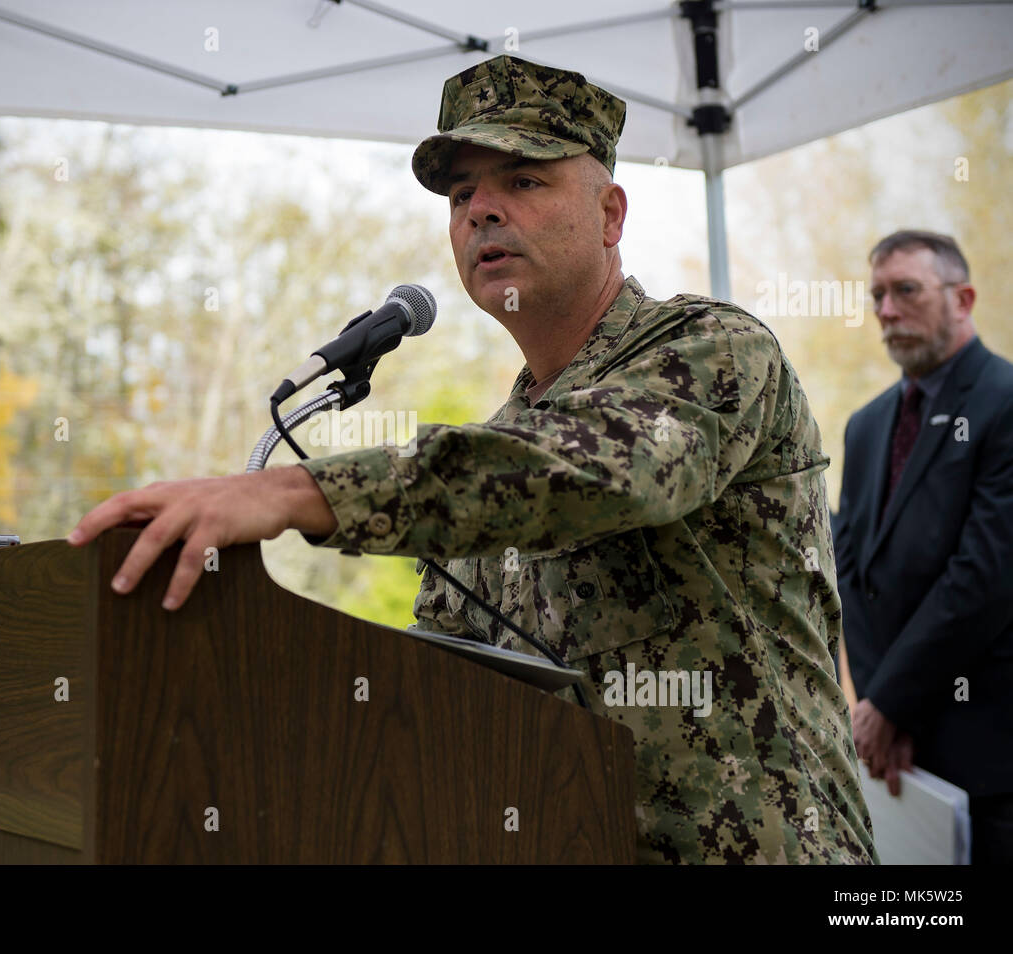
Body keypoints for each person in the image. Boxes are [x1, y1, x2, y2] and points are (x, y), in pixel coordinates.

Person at [69, 54, 878, 865]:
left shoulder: (715, 350)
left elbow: (592, 468)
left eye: (523, 181)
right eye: (462, 196)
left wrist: (300, 491)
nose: (482, 211)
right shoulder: (499, 448)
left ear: (610, 214)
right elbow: (437, 698)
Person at [834, 230, 1013, 864]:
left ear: (962, 298)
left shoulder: (1004, 403)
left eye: (905, 290)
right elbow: (850, 570)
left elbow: (984, 578)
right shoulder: (867, 423)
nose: (885, 310)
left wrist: (891, 702)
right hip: (894, 752)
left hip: (987, 754)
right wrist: (880, 708)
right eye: (877, 294)